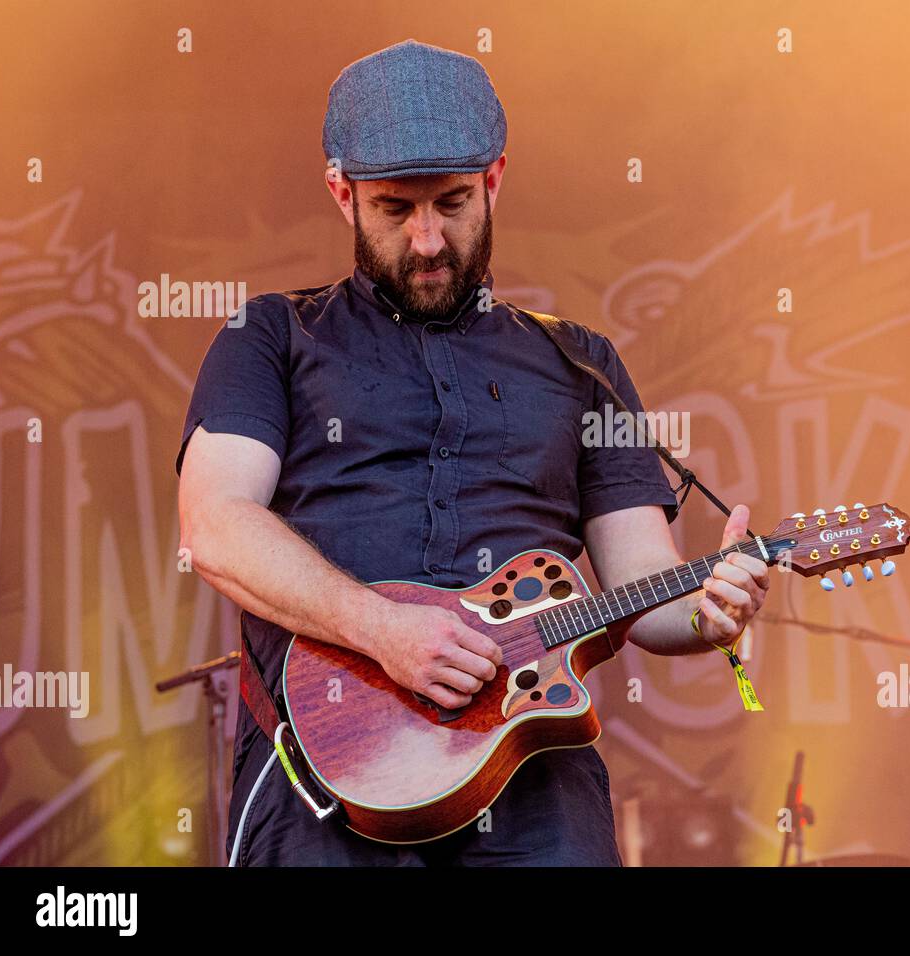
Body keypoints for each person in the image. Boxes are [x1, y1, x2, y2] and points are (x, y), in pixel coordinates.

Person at [176, 39, 770, 866]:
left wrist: (710, 610)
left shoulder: (581, 361)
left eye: (453, 203)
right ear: (341, 193)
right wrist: (384, 631)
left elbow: (646, 590)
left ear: (494, 179)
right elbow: (216, 526)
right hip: (322, 778)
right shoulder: (269, 336)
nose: (427, 240)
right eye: (394, 209)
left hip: (534, 789)